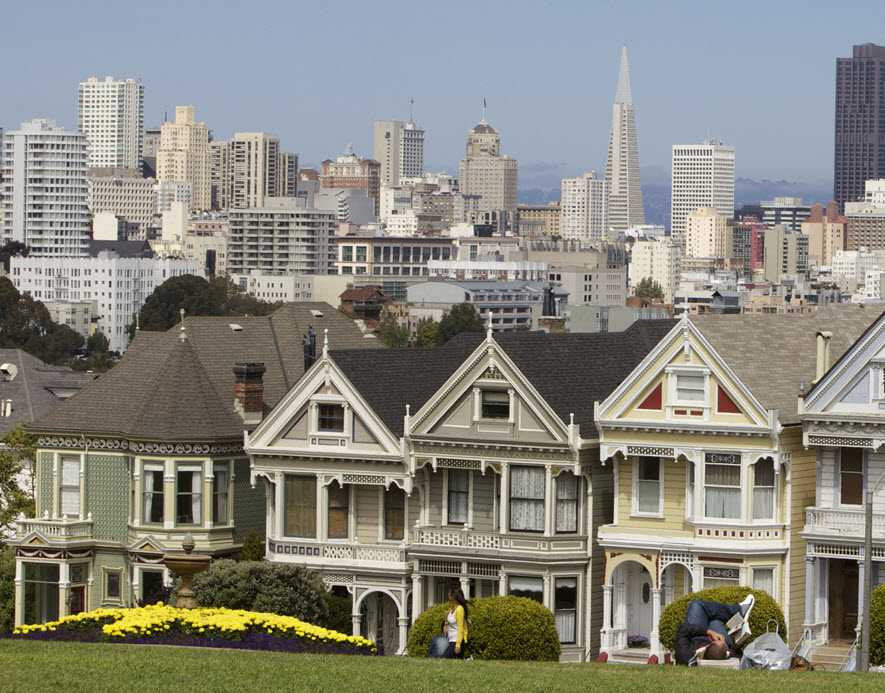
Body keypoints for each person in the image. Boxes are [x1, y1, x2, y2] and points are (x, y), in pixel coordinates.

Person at [674, 595, 755, 666]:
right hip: (720, 643)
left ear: (707, 646)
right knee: (715, 619)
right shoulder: (728, 654)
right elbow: (737, 654)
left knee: (697, 605)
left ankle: (736, 611)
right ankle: (738, 611)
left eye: (719, 640)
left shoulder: (684, 655)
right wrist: (735, 643)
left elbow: (682, 630)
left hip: (696, 637)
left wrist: (709, 632)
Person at [443, 587, 469, 659]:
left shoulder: (460, 609)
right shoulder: (452, 609)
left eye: (449, 593)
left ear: (453, 596)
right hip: (451, 639)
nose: (448, 595)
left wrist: (458, 645)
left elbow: (460, 628)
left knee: (444, 659)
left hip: (456, 640)